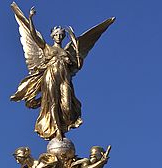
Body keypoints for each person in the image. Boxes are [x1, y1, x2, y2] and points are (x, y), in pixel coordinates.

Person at [10, 3, 115, 141]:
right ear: (52, 36)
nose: (59, 36)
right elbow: (33, 35)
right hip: (50, 76)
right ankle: (57, 130)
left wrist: (77, 50)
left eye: (61, 34)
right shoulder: (46, 48)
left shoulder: (66, 51)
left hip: (64, 78)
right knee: (52, 103)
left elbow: (77, 65)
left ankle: (65, 124)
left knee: (66, 104)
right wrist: (30, 19)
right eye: (56, 34)